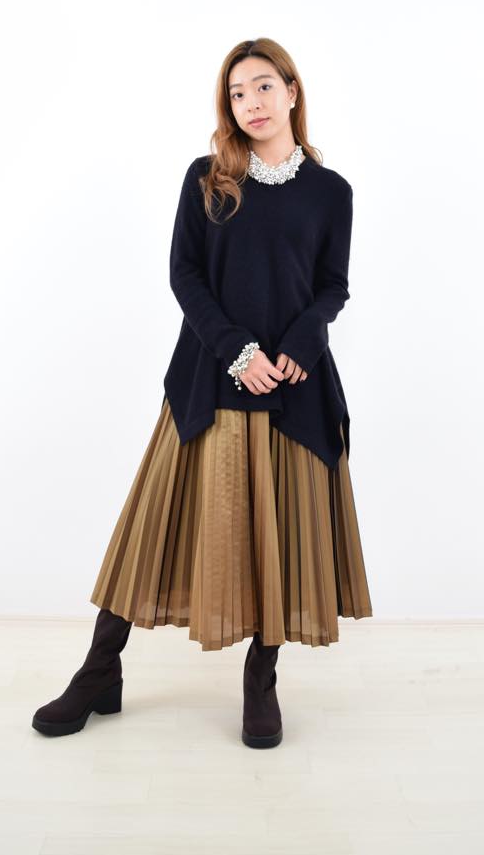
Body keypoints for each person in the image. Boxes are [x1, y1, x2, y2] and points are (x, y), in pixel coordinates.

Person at [32, 37, 372, 748]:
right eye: (237, 93)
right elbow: (184, 274)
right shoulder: (208, 177)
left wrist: (299, 344)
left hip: (293, 388)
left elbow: (332, 286)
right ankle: (98, 671)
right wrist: (236, 350)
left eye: (263, 86)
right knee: (151, 528)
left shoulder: (331, 191)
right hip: (209, 378)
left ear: (292, 91)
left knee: (277, 536)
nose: (250, 103)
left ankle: (261, 679)